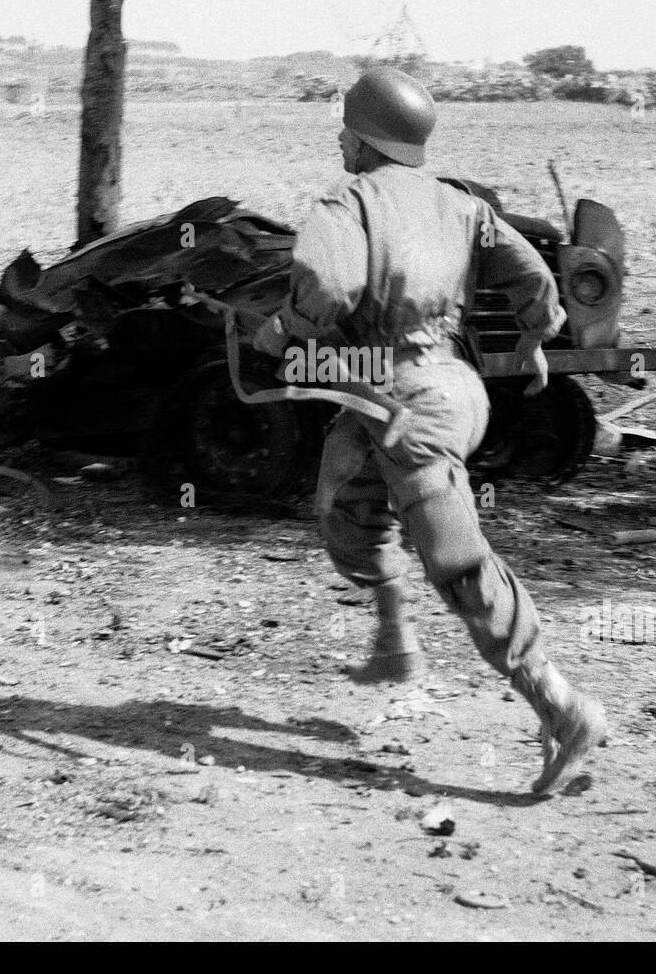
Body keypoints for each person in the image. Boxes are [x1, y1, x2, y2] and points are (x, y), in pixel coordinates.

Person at [253, 66, 606, 796]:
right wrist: (536, 337)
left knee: (457, 562)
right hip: (442, 388)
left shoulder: (346, 201)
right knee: (347, 503)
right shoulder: (458, 203)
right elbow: (531, 272)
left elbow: (326, 284)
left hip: (410, 405)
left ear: (360, 138)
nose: (340, 141)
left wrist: (283, 331)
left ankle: (564, 708)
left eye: (345, 129)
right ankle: (394, 642)